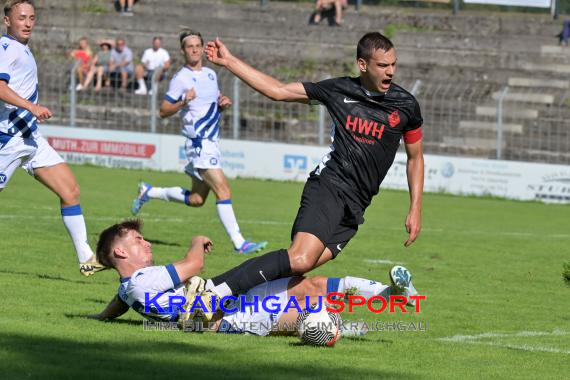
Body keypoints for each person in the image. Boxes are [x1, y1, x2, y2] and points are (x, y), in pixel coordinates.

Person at [197, 32, 424, 315]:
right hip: (329, 185)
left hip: (357, 204)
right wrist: (229, 61)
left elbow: (415, 158)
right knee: (300, 259)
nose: (390, 71)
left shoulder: (406, 105)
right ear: (363, 65)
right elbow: (278, 91)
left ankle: (222, 303)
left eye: (393, 64)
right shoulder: (338, 90)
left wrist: (415, 208)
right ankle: (213, 292)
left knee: (293, 276)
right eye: (382, 65)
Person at [92, 219, 419, 338]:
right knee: (304, 320)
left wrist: (100, 316)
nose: (146, 243)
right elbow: (193, 265)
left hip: (220, 299)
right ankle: (343, 330)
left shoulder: (131, 286)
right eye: (137, 241)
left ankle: (390, 292)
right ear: (119, 254)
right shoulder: (142, 281)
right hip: (225, 315)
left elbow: (120, 300)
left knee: (311, 285)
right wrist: (197, 239)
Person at [131, 29, 267, 255]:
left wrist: (222, 103)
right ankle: (239, 242)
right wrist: (184, 101)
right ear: (183, 51)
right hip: (199, 143)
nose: (193, 49)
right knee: (223, 189)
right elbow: (163, 111)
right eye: (189, 46)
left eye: (197, 45)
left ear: (202, 48)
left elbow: (211, 104)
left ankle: (149, 192)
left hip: (211, 141)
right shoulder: (180, 78)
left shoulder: (211, 75)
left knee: (196, 199)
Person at [0, 0, 105, 276]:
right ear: (6, 20)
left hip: (31, 139)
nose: (27, 23)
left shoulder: (22, 48)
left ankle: (87, 259)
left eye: (32, 18)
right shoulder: (6, 48)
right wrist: (31, 107)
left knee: (70, 191)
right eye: (21, 17)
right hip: (8, 140)